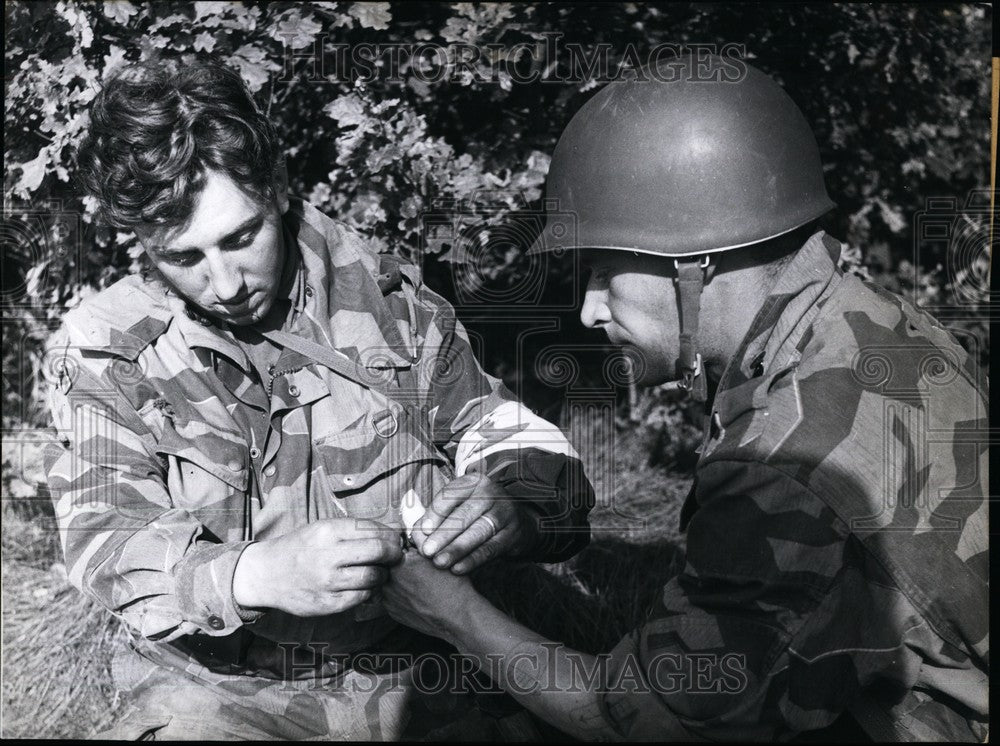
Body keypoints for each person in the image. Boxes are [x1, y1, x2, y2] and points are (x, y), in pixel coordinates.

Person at [383, 54, 989, 741]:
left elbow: (632, 721)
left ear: (694, 268)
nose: (588, 310)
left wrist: (448, 612)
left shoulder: (784, 470)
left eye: (607, 273)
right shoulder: (873, 320)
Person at [42, 60, 594, 740]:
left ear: (274, 188)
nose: (225, 281)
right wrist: (254, 574)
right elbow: (102, 537)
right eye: (183, 257)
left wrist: (512, 504)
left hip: (413, 675)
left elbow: (516, 443)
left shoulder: (394, 307)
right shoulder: (109, 348)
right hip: (216, 691)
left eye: (241, 238)